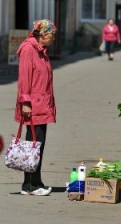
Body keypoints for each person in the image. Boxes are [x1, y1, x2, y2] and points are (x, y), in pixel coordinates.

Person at [14, 19, 57, 196]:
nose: (53, 39)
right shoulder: (28, 49)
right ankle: (30, 185)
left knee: (37, 145)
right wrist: (25, 102)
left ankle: (35, 182)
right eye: (52, 36)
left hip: (42, 105)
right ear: (43, 35)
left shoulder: (41, 51)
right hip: (32, 106)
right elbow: (24, 78)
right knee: (33, 145)